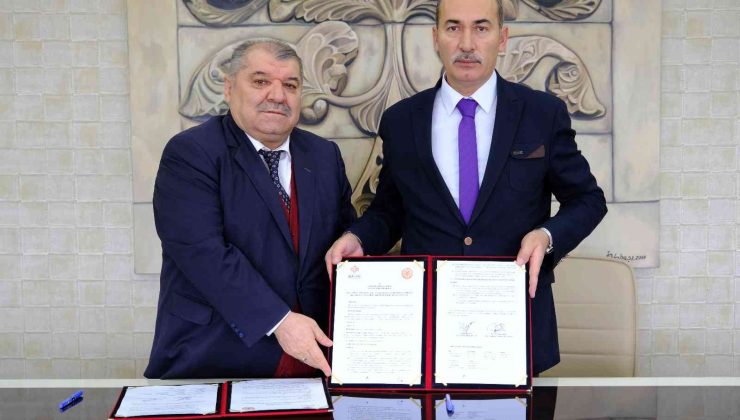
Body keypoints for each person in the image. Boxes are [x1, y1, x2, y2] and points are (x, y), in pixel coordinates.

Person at [325, 0, 607, 374]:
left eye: (481, 28)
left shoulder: (541, 113)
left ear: (502, 39)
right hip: (426, 331)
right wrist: (358, 238)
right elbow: (391, 211)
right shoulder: (401, 120)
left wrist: (546, 236)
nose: (467, 43)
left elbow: (588, 200)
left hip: (514, 325)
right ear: (436, 38)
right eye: (454, 27)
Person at [145, 39, 356, 379]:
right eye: (260, 81)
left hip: (315, 363)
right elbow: (203, 253)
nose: (277, 95)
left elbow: (343, 243)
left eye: (291, 85)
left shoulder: (324, 156)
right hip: (215, 358)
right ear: (229, 88)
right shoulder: (191, 153)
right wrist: (280, 321)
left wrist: (354, 239)